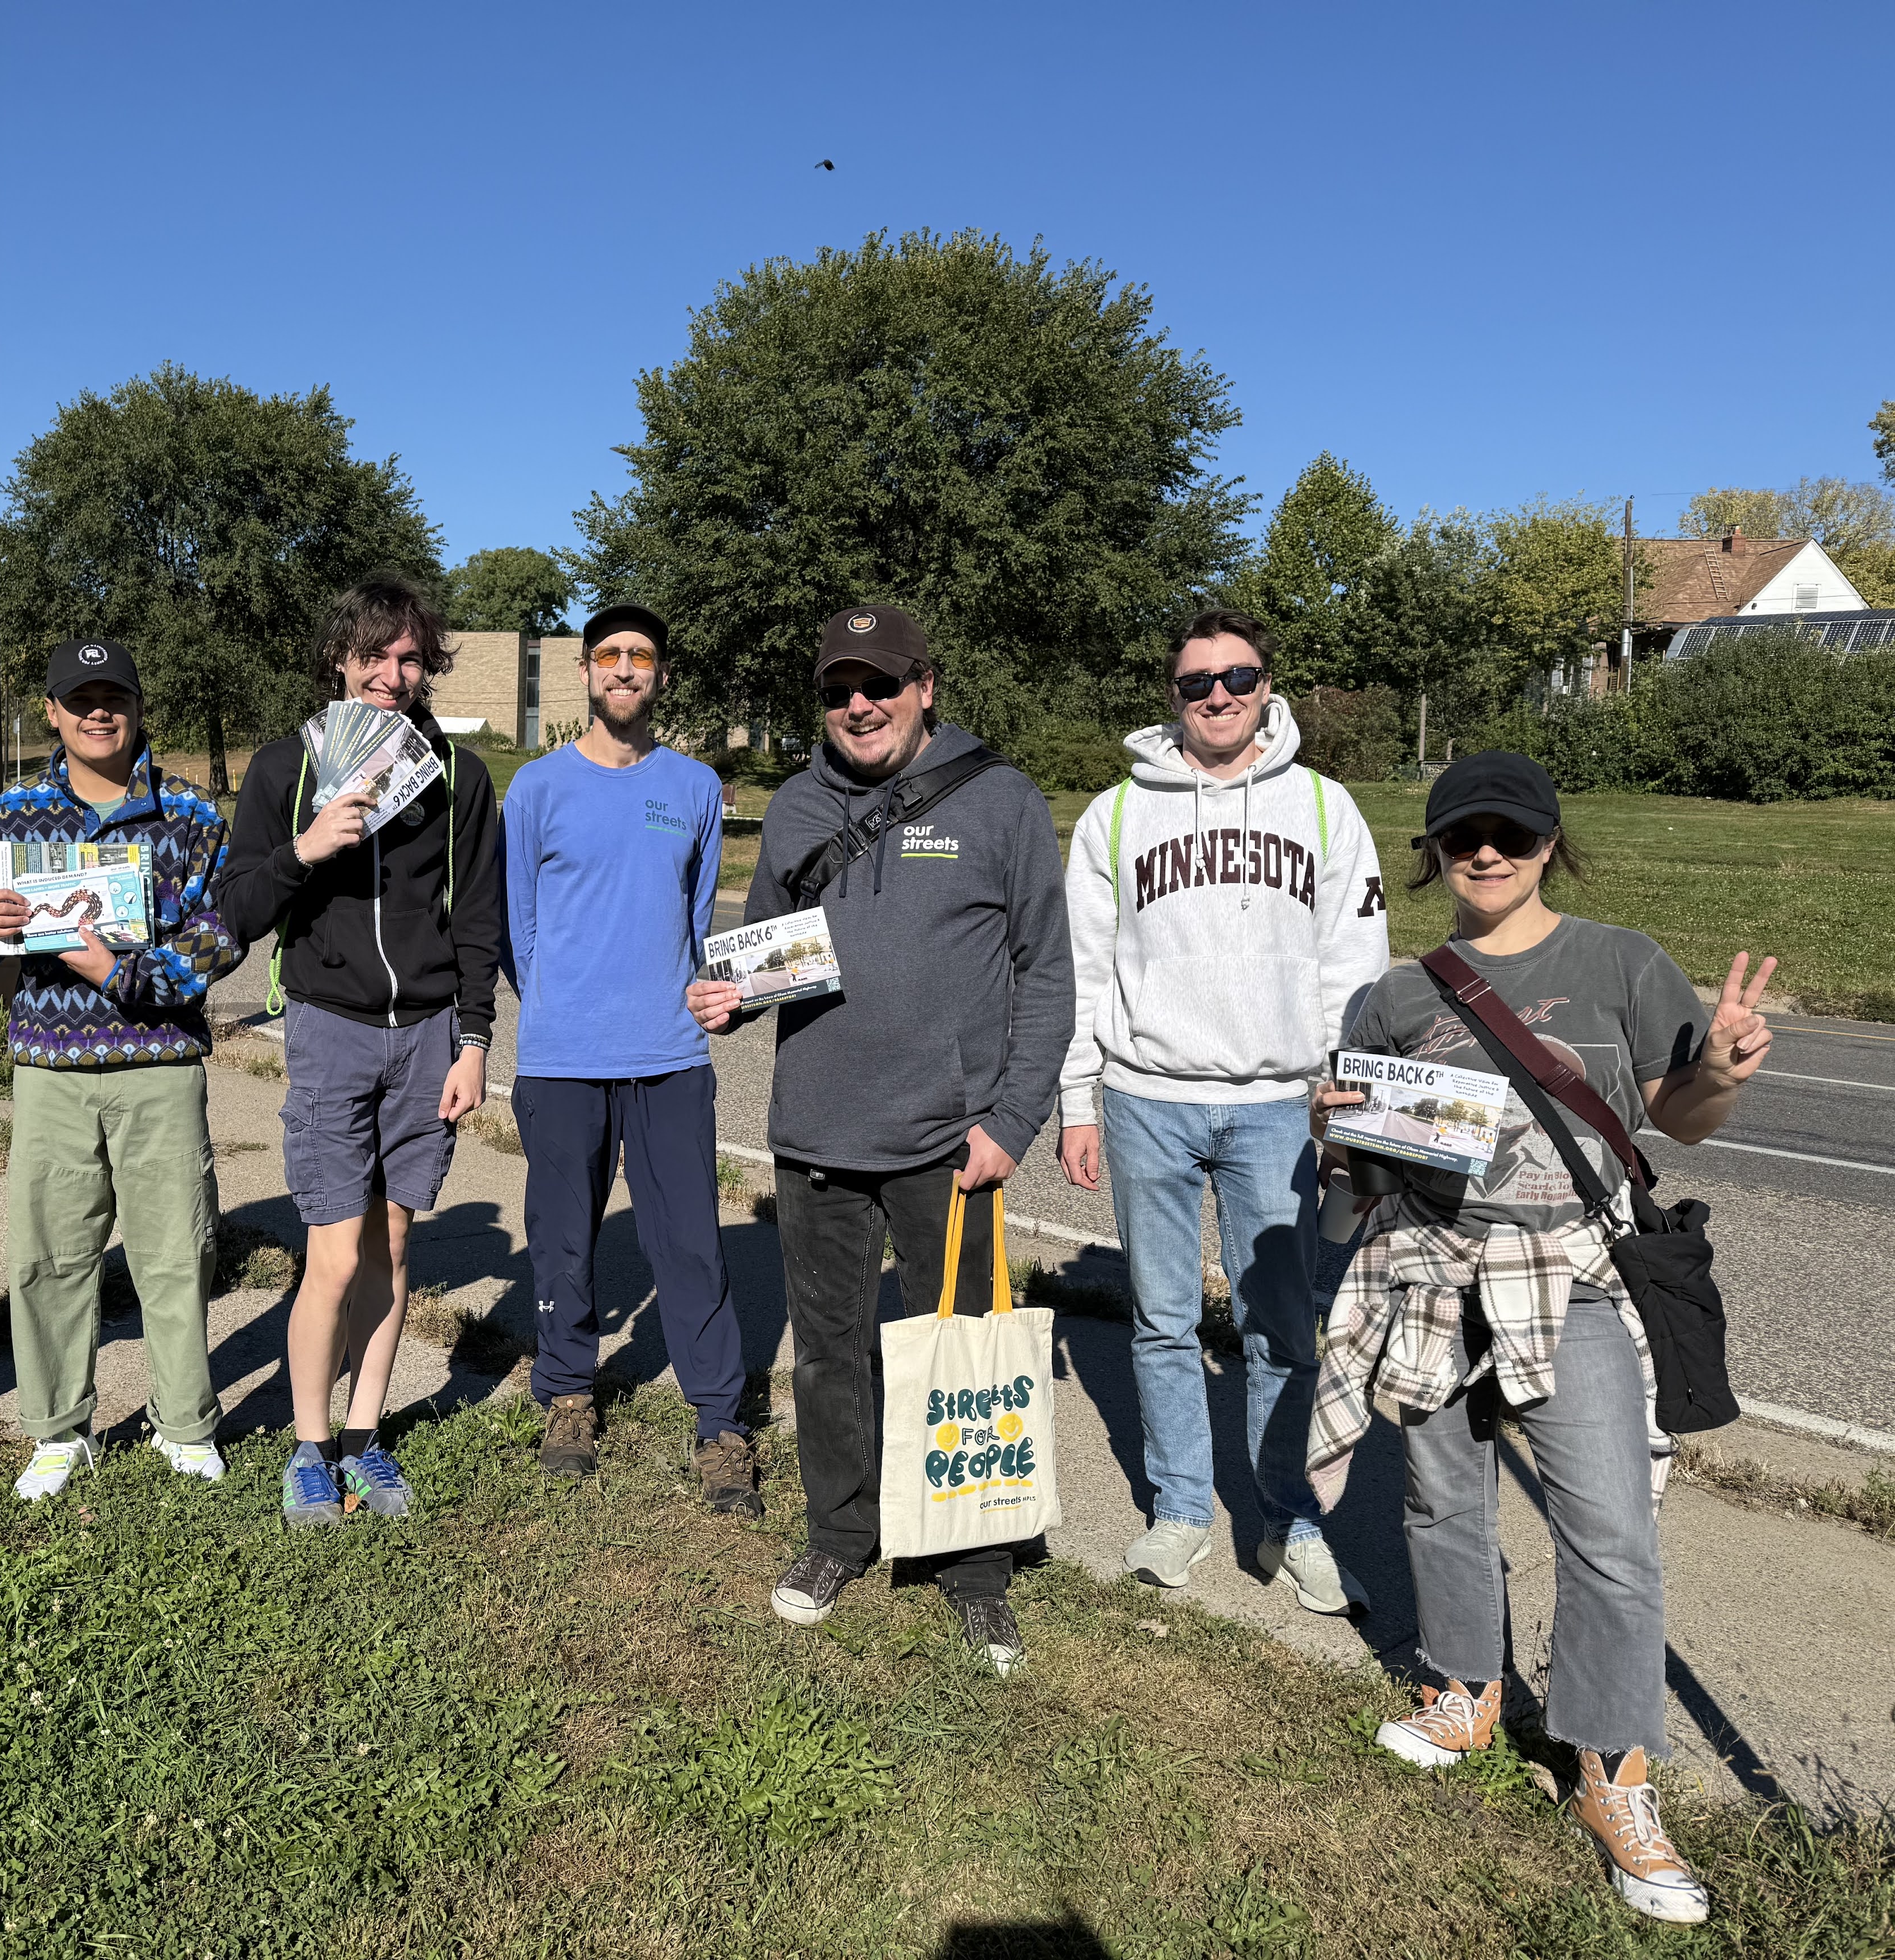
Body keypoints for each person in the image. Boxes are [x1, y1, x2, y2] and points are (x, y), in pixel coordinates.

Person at [1306, 750, 1774, 1928]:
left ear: (1548, 842)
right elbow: (1362, 1173)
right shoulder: (1398, 995)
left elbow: (1682, 1120)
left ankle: (1613, 1775)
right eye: (1461, 833)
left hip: (1567, 1277)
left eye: (1508, 833)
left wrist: (1715, 1067)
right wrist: (1339, 1127)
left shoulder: (1616, 960)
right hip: (1429, 1273)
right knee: (1437, 1501)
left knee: (1608, 1531)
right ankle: (1463, 1690)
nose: (1484, 852)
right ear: (1431, 850)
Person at [687, 603, 1072, 1677]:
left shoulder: (1000, 800)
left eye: (880, 684)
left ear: (924, 687)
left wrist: (1011, 1120)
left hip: (952, 1145)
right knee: (827, 1355)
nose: (858, 705)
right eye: (837, 689)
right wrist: (731, 997)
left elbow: (1047, 974)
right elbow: (762, 952)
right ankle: (838, 1537)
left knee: (962, 1369)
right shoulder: (801, 803)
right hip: (815, 1134)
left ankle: (976, 1572)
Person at [1054, 608, 1388, 1611]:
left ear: (1265, 687)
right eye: (1196, 681)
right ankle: (1180, 1511)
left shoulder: (1325, 811)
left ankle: (1291, 1518)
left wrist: (1349, 1105)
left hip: (1278, 1108)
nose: (1217, 697)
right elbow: (1083, 974)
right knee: (1159, 1323)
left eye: (1236, 678)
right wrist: (1077, 1098)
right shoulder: (1114, 817)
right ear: (1171, 694)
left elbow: (1355, 972)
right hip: (1144, 1098)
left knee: (1280, 1326)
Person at [217, 576, 504, 1529]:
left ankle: (368, 1438)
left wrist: (472, 1042)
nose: (390, 673)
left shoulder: (458, 777)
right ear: (339, 660)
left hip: (427, 1036)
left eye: (409, 657)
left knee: (390, 1244)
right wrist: (305, 849)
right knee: (332, 1255)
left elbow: (477, 922)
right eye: (373, 654)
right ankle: (310, 1449)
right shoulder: (285, 767)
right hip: (331, 1029)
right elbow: (235, 913)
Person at [0, 638, 245, 1502]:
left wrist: (123, 975)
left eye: (112, 696)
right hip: (50, 1065)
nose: (97, 713)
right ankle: (57, 1431)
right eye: (78, 699)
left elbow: (221, 935)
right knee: (49, 1254)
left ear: (136, 706)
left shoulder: (191, 816)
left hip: (157, 1061)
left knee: (176, 1251)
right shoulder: (17, 813)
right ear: (50, 712)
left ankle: (184, 1421)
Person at [500, 603, 756, 1512]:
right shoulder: (534, 788)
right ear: (584, 671)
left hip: (670, 1057)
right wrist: (565, 1007)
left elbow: (696, 920)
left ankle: (720, 1421)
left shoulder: (692, 787)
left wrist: (679, 1001)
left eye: (639, 656)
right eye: (608, 655)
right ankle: (568, 1395)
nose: (623, 669)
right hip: (563, 1057)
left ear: (658, 675)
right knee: (564, 1243)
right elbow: (518, 925)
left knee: (688, 1243)